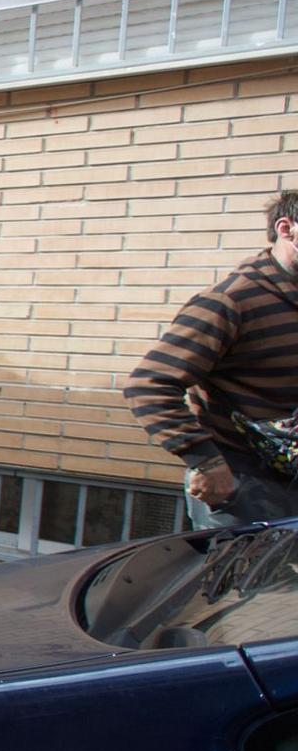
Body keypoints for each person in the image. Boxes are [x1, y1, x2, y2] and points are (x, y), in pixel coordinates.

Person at [127, 190, 298, 526]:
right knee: (239, 581)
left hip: (291, 480)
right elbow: (148, 386)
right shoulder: (231, 301)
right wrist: (205, 461)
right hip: (245, 488)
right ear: (286, 228)